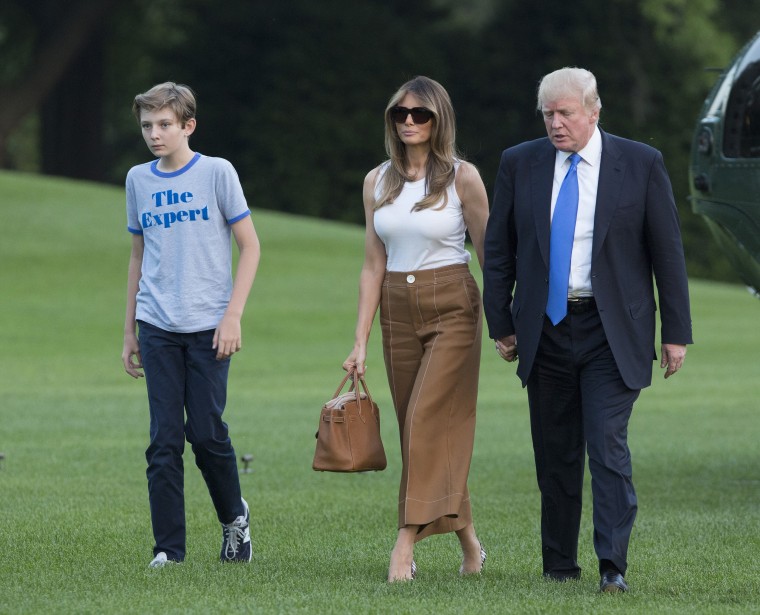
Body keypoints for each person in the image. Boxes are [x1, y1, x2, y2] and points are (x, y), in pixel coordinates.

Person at [482, 67, 693, 593]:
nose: (556, 124)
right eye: (548, 114)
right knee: (555, 454)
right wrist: (502, 323)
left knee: (606, 445)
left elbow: (667, 253)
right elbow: (498, 251)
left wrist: (676, 332)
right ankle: (558, 565)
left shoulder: (640, 163)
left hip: (611, 330)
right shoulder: (520, 163)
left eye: (565, 113)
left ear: (593, 111)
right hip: (545, 330)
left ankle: (612, 567)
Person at [343, 76, 490, 582]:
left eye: (420, 114)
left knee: (427, 419)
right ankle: (469, 541)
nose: (409, 121)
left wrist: (506, 325)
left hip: (452, 303)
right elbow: (371, 265)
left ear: (438, 119)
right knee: (417, 430)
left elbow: (490, 255)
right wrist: (359, 341)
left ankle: (405, 543)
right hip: (396, 308)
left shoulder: (463, 178)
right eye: (400, 113)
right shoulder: (376, 181)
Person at [121, 82, 261, 568]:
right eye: (147, 126)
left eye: (164, 125)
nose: (154, 135)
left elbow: (251, 246)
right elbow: (138, 256)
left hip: (209, 328)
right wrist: (129, 331)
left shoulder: (217, 173)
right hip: (156, 324)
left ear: (187, 125)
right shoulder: (137, 180)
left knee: (205, 433)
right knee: (163, 440)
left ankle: (234, 519)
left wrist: (233, 315)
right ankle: (169, 551)